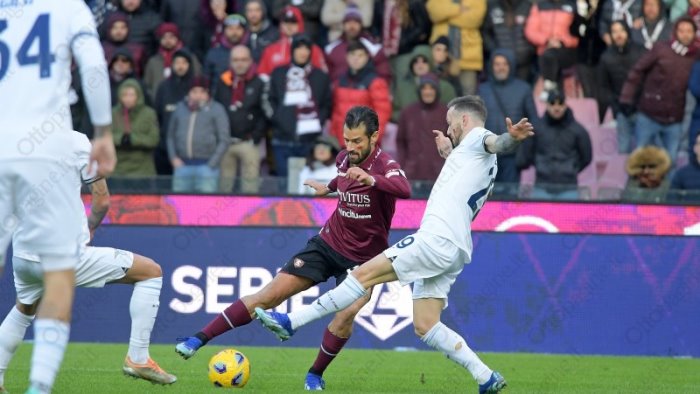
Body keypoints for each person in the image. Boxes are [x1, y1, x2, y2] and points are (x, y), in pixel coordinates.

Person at [256, 96, 533, 394]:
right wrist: (450, 154)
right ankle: (485, 376)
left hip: (436, 239)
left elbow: (497, 143)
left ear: (465, 120)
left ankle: (292, 322)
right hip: (455, 247)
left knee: (361, 275)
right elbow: (471, 166)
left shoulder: (479, 136)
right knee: (426, 325)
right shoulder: (470, 154)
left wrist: (512, 139)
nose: (447, 127)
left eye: (450, 121)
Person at [175, 106, 411, 391]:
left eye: (357, 141)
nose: (350, 147)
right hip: (327, 245)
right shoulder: (343, 159)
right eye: (346, 140)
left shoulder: (385, 165)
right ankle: (197, 339)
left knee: (346, 315)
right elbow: (343, 179)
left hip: (364, 263)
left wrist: (371, 179)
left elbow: (403, 188)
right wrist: (329, 188)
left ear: (374, 137)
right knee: (269, 296)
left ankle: (315, 374)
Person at [0, 1, 116, 393]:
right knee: (59, 271)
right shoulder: (68, 8)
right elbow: (94, 68)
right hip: (45, 141)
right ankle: (39, 386)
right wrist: (102, 130)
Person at [0, 132, 175, 389]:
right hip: (63, 253)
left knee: (24, 310)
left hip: (24, 254)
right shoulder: (76, 141)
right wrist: (91, 227)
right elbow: (102, 200)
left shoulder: (16, 143)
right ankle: (138, 358)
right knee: (151, 272)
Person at [619, 16, 697, 162]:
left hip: (675, 118)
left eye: (689, 31)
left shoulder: (696, 56)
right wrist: (626, 97)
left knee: (670, 162)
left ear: (694, 33)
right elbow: (637, 71)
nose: (685, 34)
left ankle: (668, 186)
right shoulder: (661, 49)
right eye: (681, 31)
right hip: (649, 114)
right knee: (641, 159)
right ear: (675, 32)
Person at [267, 33, 332, 177]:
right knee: (284, 186)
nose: (303, 52)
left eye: (306, 48)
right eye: (299, 48)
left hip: (309, 142)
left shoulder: (320, 76)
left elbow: (326, 104)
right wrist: (279, 119)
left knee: (306, 186)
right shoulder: (279, 73)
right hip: (282, 139)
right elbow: (270, 99)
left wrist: (318, 123)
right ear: (292, 50)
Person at [478, 49, 538, 194]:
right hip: (487, 156)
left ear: (511, 66)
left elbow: (534, 123)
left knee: (509, 201)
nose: (501, 67)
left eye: (505, 64)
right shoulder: (481, 89)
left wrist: (525, 154)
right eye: (497, 64)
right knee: (486, 201)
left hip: (513, 157)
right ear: (491, 66)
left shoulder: (524, 89)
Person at [516, 91, 592, 200]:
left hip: (569, 188)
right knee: (540, 217)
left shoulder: (578, 130)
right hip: (542, 186)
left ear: (565, 105)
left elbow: (587, 157)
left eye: (560, 103)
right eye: (552, 103)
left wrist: (571, 169)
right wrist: (540, 165)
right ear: (547, 105)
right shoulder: (537, 128)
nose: (556, 107)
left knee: (569, 217)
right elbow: (528, 153)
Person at [213, 45, 267, 193]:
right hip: (225, 142)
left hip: (249, 142)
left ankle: (250, 215)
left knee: (250, 188)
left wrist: (256, 136)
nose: (240, 63)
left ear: (250, 61)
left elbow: (264, 112)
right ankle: (225, 217)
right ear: (230, 62)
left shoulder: (259, 83)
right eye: (236, 60)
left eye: (243, 59)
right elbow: (215, 109)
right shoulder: (222, 82)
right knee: (224, 188)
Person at [167, 77, 231, 192]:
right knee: (180, 205)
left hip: (206, 168)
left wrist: (212, 164)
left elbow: (224, 139)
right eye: (194, 91)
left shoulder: (216, 109)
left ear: (208, 93)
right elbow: (170, 136)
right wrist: (173, 158)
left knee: (205, 205)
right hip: (182, 166)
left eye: (202, 91)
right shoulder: (180, 109)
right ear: (189, 93)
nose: (198, 95)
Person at [329, 41, 392, 147]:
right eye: (352, 55)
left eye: (360, 55)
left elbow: (382, 113)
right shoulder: (340, 80)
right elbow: (336, 112)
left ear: (367, 57)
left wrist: (372, 138)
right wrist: (333, 136)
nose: (356, 59)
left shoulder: (375, 81)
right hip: (342, 142)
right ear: (347, 57)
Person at [598, 20, 645, 154]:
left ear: (627, 32)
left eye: (621, 30)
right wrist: (616, 107)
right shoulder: (606, 57)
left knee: (643, 150)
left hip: (642, 110)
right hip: (621, 111)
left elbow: (649, 80)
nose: (618, 35)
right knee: (623, 150)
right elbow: (604, 87)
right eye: (614, 31)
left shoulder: (641, 51)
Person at [396, 74, 448, 188]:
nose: (427, 92)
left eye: (431, 88)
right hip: (413, 175)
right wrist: (404, 166)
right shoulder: (408, 112)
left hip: (440, 176)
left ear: (437, 90)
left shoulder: (447, 113)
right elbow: (401, 142)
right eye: (424, 88)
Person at [426, 0, 487, 95]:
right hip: (441, 54)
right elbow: (434, 13)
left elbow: (475, 19)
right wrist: (458, 9)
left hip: (468, 58)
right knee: (440, 92)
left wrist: (446, 16)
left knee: (468, 97)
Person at [112, 79, 160, 178]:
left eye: (131, 95)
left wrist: (132, 140)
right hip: (118, 170)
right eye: (125, 95)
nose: (128, 99)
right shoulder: (113, 114)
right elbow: (105, 137)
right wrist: (121, 139)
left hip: (143, 170)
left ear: (138, 96)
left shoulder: (149, 114)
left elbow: (153, 139)